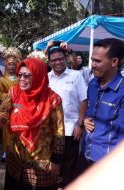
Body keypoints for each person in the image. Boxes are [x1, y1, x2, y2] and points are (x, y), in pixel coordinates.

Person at [0, 57, 65, 190]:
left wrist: (56, 160)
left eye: (27, 75)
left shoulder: (52, 99)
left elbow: (58, 132)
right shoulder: (14, 92)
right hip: (16, 158)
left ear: (38, 75)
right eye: (19, 75)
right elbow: (3, 112)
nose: (22, 79)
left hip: (41, 161)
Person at [76, 38, 124, 176]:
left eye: (98, 61)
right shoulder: (92, 84)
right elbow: (90, 112)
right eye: (92, 60)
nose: (93, 65)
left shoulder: (122, 91)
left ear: (114, 62)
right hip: (86, 154)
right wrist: (85, 119)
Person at [48, 47, 88, 187]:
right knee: (52, 162)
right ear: (49, 62)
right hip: (51, 130)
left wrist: (80, 124)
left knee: (69, 165)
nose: (57, 62)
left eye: (60, 58)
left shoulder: (76, 76)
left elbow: (83, 100)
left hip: (71, 129)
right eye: (53, 60)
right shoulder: (46, 78)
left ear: (65, 58)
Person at [0, 47, 21, 162]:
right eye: (9, 64)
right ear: (6, 65)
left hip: (19, 107)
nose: (11, 66)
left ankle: (17, 149)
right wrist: (8, 99)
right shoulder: (2, 79)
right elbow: (0, 92)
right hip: (8, 107)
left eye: (14, 64)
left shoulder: (20, 78)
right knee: (6, 129)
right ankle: (5, 151)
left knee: (17, 128)